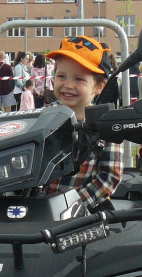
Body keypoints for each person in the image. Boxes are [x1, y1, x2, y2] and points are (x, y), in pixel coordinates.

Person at [42, 35, 122, 211]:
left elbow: (110, 177)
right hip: (41, 208)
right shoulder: (43, 118)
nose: (68, 85)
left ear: (99, 86)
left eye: (79, 79)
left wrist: (73, 206)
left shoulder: (106, 125)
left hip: (84, 212)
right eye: (61, 76)